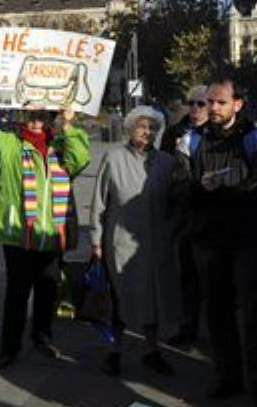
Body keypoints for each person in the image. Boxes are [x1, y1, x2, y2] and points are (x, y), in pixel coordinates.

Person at [0, 80, 90, 369]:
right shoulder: (8, 143)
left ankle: (42, 337)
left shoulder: (61, 145)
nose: (37, 121)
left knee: (47, 290)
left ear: (50, 118)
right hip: (18, 235)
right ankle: (9, 347)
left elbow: (81, 160)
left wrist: (70, 124)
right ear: (22, 116)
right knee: (16, 294)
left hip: (50, 233)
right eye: (31, 115)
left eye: (43, 116)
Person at [177, 76, 257, 406]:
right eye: (209, 102)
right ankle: (228, 377)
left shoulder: (255, 137)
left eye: (221, 102)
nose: (213, 108)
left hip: (246, 240)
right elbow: (178, 187)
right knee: (218, 313)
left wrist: (232, 189)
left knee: (254, 317)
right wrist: (199, 188)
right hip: (207, 240)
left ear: (237, 104)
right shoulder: (190, 139)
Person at [90, 106, 184, 377]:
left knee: (152, 298)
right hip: (120, 242)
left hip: (155, 242)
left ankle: (152, 351)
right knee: (119, 300)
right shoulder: (113, 158)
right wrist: (96, 240)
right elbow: (98, 203)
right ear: (130, 128)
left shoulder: (167, 162)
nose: (148, 132)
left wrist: (173, 229)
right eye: (143, 126)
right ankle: (114, 352)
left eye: (154, 127)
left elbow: (179, 200)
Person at [159, 85, 208, 345]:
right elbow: (164, 171)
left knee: (213, 277)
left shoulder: (221, 132)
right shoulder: (175, 132)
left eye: (201, 104)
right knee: (187, 274)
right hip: (186, 213)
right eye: (192, 103)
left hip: (214, 215)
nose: (195, 109)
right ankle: (188, 327)